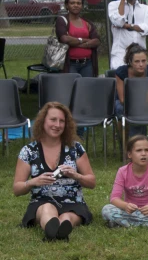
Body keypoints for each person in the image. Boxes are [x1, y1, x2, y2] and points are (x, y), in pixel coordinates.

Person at [13, 102, 96, 241]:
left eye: (61, 121)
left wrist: (76, 175)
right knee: (46, 209)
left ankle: (60, 228)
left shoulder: (75, 148)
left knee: (68, 215)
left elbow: (92, 182)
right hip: (42, 201)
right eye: (53, 120)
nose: (57, 125)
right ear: (42, 121)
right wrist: (33, 182)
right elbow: (17, 189)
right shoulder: (29, 151)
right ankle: (52, 228)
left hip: (73, 202)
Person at [102, 135, 148, 228]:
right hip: (131, 212)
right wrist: (126, 206)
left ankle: (125, 224)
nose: (144, 154)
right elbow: (114, 198)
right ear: (129, 154)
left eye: (147, 150)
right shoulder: (123, 171)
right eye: (139, 150)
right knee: (106, 209)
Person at [108, 0, 148, 69]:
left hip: (140, 58)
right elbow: (119, 21)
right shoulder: (113, 5)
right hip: (120, 55)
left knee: (139, 82)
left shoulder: (145, 8)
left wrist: (129, 26)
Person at [115, 43, 148, 138]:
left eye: (144, 61)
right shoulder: (121, 72)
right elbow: (122, 99)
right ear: (130, 62)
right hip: (125, 103)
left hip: (147, 101)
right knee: (121, 109)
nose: (141, 64)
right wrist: (140, 107)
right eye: (137, 61)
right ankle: (130, 144)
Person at [56, 0, 100, 77]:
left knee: (86, 88)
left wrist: (75, 43)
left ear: (82, 6)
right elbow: (64, 39)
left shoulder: (87, 22)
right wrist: (84, 40)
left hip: (88, 64)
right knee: (71, 88)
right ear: (66, 5)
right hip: (70, 64)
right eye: (72, 3)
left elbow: (97, 41)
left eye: (78, 3)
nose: (75, 5)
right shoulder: (62, 20)